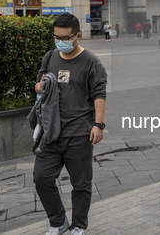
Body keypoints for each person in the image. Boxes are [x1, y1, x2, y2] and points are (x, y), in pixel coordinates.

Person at [33, 13, 107, 235]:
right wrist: (43, 86)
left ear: (77, 36)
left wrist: (99, 125)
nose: (60, 41)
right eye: (56, 37)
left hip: (79, 133)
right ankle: (58, 221)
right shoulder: (50, 57)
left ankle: (79, 225)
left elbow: (99, 94)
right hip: (51, 131)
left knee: (81, 183)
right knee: (41, 177)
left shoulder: (91, 61)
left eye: (65, 37)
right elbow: (37, 84)